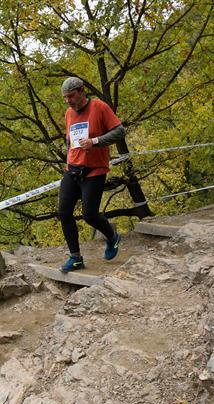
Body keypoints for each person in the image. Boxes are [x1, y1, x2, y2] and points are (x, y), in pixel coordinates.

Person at [58, 77, 126, 273]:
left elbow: (120, 131)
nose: (68, 101)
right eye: (65, 98)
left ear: (82, 91)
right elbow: (69, 141)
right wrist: (69, 158)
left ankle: (112, 236)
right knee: (64, 212)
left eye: (71, 96)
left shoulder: (99, 107)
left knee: (89, 215)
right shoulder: (69, 113)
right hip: (72, 169)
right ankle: (76, 258)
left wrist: (95, 141)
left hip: (94, 170)